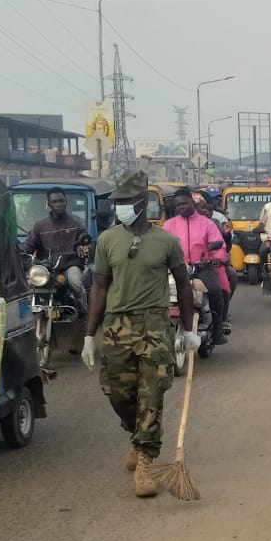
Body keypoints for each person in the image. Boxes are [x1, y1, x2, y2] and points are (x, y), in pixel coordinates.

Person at [81, 172, 198, 498]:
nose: (118, 207)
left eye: (124, 202)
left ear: (141, 203)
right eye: (116, 202)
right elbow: (100, 288)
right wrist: (89, 335)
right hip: (118, 326)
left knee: (152, 393)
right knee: (117, 393)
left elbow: (184, 284)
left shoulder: (166, 242)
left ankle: (146, 458)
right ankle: (137, 434)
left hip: (155, 326)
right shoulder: (107, 240)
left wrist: (188, 331)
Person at [164, 189, 230, 346]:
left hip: (202, 268)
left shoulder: (207, 224)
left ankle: (217, 330)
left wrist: (217, 259)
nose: (181, 207)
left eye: (184, 203)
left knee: (215, 291)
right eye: (178, 205)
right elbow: (160, 246)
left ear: (192, 203)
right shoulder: (169, 225)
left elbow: (219, 245)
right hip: (176, 269)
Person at [22, 187, 90, 314]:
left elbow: (84, 240)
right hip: (46, 267)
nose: (58, 204)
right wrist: (21, 252)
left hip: (70, 265)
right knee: (29, 283)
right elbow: (29, 244)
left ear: (66, 202)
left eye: (61, 201)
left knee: (75, 283)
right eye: (54, 202)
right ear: (49, 205)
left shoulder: (77, 222)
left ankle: (84, 313)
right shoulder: (40, 225)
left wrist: (83, 245)